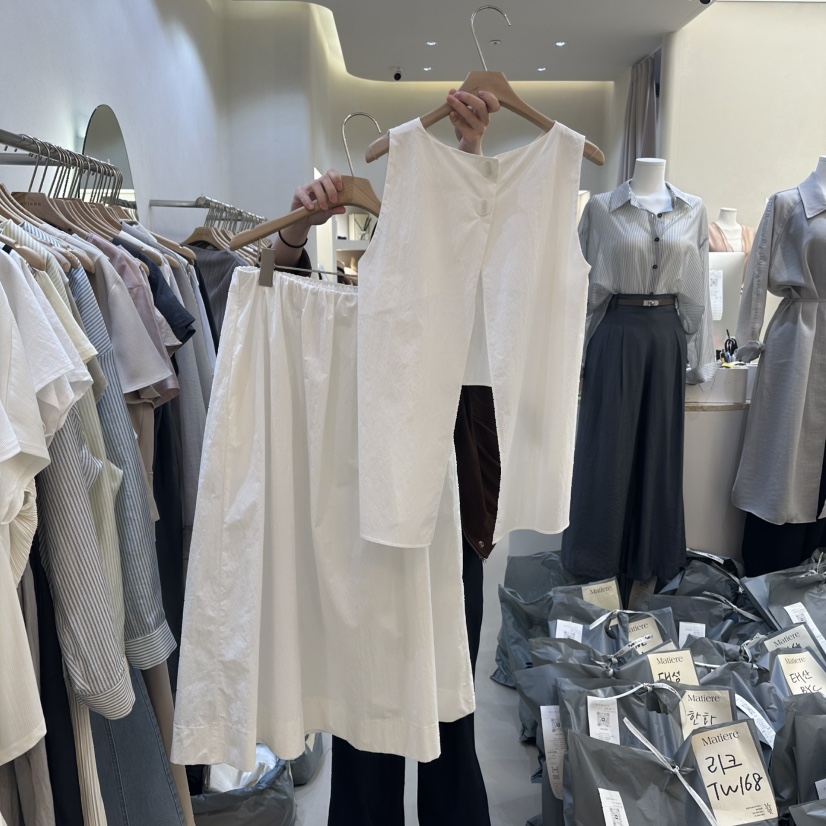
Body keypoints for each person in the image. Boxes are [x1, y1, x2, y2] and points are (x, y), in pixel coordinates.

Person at [271, 88, 501, 826]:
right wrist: (293, 234)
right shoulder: (332, 292)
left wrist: (468, 159)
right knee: (366, 705)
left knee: (447, 704)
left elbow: (483, 278)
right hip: (355, 512)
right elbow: (271, 313)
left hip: (446, 508)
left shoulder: (453, 265)